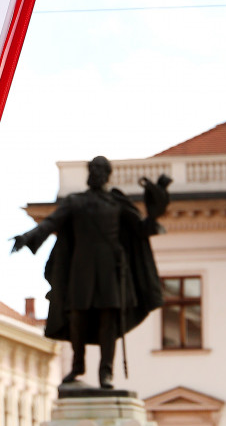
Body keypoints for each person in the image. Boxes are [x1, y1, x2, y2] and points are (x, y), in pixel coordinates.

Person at [12, 156, 169, 388]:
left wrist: (156, 207)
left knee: (108, 320)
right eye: (92, 169)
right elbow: (51, 223)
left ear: (107, 174)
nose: (95, 173)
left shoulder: (117, 203)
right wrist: (27, 237)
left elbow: (141, 229)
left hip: (110, 268)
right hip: (80, 267)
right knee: (77, 316)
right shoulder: (75, 202)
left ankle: (106, 372)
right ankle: (78, 365)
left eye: (99, 170)